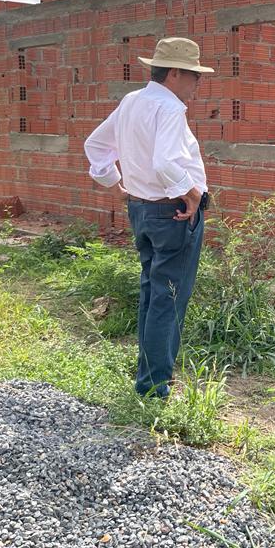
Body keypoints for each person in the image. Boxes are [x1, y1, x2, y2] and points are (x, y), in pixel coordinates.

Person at [84, 37, 214, 399]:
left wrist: (116, 184)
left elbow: (95, 146)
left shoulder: (132, 101)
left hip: (142, 209)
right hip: (172, 212)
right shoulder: (170, 108)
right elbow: (165, 162)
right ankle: (154, 387)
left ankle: (148, 377)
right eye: (194, 76)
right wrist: (191, 193)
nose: (197, 84)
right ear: (174, 73)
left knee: (152, 293)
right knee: (168, 298)